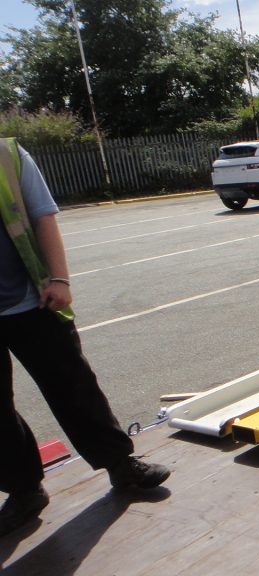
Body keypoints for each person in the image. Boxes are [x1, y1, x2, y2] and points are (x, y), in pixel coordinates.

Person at [0, 138, 170, 537]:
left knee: (73, 387)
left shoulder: (8, 156)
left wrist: (59, 278)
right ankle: (24, 491)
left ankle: (119, 465)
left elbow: (43, 216)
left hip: (32, 298)